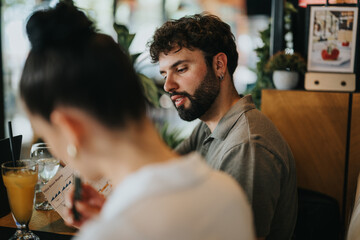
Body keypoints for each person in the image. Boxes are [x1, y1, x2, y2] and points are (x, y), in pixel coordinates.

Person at [20, 2, 255, 240]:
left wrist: (111, 224)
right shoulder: (229, 194)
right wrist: (111, 214)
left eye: (47, 136)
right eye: (164, 74)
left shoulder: (110, 234)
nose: (168, 85)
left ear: (69, 129)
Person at [148, 13, 297, 240]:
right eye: (164, 73)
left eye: (180, 69)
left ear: (219, 65)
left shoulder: (247, 147)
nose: (168, 85)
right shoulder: (210, 125)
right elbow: (165, 168)